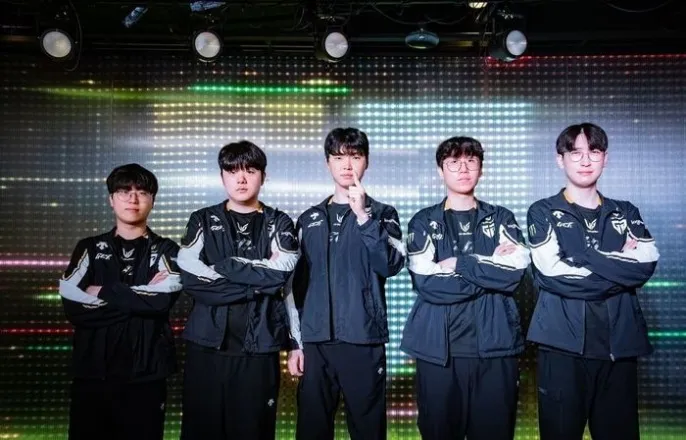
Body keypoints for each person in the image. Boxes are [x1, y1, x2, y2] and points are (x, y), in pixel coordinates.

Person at [527, 123, 660, 440]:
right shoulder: (543, 211)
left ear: (605, 158)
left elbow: (645, 265)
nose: (585, 160)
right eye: (575, 153)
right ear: (560, 159)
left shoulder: (625, 211)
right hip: (562, 348)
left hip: (619, 348)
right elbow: (551, 274)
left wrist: (583, 255)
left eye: (594, 151)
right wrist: (618, 265)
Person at [400, 136, 530, 440]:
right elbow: (427, 283)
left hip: (496, 348)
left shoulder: (501, 217)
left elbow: (513, 275)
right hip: (438, 352)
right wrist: (489, 268)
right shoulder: (423, 221)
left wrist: (461, 263)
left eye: (471, 161)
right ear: (440, 170)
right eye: (454, 162)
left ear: (481, 169)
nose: (463, 169)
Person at [288, 127, 405, 440]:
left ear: (367, 161)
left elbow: (391, 264)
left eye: (355, 156)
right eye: (339, 157)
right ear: (328, 162)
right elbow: (296, 287)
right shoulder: (309, 219)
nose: (347, 164)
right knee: (312, 428)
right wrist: (296, 343)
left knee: (367, 429)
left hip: (362, 338)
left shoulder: (383, 214)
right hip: (316, 341)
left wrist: (363, 216)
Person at [177, 140, 299, 440]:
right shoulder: (202, 220)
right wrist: (255, 286)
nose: (241, 179)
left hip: (260, 346)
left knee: (253, 431)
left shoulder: (279, 222)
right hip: (206, 346)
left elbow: (281, 276)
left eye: (250, 171)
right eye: (232, 171)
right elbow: (191, 279)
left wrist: (225, 266)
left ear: (263, 176)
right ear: (222, 176)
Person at [59, 163, 181, 440]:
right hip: (92, 374)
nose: (133, 199)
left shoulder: (166, 249)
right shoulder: (89, 248)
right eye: (124, 191)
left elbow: (161, 301)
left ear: (153, 200)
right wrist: (139, 298)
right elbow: (73, 306)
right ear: (111, 199)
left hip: (147, 375)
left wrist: (101, 290)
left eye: (142, 192)